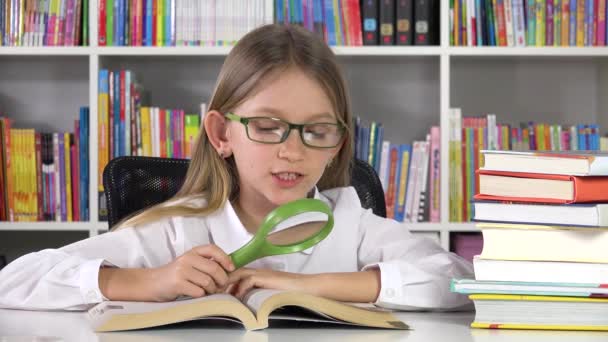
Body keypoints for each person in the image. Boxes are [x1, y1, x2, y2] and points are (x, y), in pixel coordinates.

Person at [0, 24, 473, 311]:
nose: (292, 151)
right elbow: (13, 281)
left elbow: (459, 283)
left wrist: (304, 286)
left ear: (337, 145)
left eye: (317, 131)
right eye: (268, 127)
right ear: (222, 135)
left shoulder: (351, 222)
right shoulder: (176, 232)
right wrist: (146, 280)